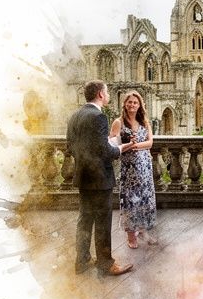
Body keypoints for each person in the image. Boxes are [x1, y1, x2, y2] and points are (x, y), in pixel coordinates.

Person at [66, 80, 134, 276]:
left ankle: (82, 261)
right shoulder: (99, 117)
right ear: (100, 95)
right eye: (107, 92)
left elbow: (70, 147)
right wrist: (121, 147)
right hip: (100, 178)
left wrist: (92, 153)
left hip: (83, 176)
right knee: (103, 222)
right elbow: (105, 152)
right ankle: (106, 264)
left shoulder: (75, 116)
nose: (109, 95)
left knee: (84, 220)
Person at [110, 91, 158, 249]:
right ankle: (131, 236)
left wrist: (135, 145)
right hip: (129, 169)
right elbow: (112, 145)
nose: (132, 105)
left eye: (135, 102)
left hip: (144, 167)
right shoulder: (119, 123)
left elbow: (150, 143)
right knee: (130, 201)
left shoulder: (144, 121)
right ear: (124, 104)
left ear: (140, 105)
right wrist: (127, 146)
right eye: (129, 102)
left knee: (145, 199)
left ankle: (143, 231)